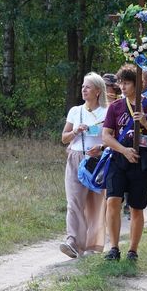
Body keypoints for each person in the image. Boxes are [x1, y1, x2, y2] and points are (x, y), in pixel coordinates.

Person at [102, 64, 147, 261]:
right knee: (112, 201)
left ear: (138, 84)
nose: (122, 87)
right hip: (118, 159)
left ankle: (133, 250)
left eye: (127, 83)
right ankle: (113, 248)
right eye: (120, 83)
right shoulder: (115, 107)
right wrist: (123, 150)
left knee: (136, 206)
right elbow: (106, 136)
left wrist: (146, 122)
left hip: (142, 161)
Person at [60, 72, 108, 258]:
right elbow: (64, 138)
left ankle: (91, 245)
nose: (83, 89)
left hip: (97, 161)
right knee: (73, 202)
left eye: (88, 86)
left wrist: (102, 147)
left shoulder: (106, 111)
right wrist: (74, 131)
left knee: (95, 205)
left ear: (98, 91)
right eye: (82, 86)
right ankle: (72, 241)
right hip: (76, 158)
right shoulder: (75, 111)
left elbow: (110, 136)